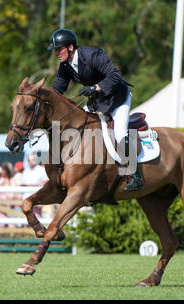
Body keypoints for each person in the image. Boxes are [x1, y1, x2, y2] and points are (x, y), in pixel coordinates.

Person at [47, 28, 143, 191]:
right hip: (97, 102)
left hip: (117, 99)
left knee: (119, 134)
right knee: (78, 127)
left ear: (70, 47)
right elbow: (57, 91)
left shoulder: (92, 55)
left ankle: (135, 175)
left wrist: (96, 87)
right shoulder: (65, 66)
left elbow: (115, 74)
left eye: (58, 48)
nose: (56, 53)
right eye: (55, 50)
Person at [22, 153, 48, 218]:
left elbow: (46, 181)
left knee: (37, 216)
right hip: (26, 196)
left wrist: (34, 185)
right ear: (28, 160)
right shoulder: (26, 171)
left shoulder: (41, 170)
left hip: (37, 196)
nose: (33, 161)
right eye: (31, 159)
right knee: (26, 216)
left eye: (34, 159)